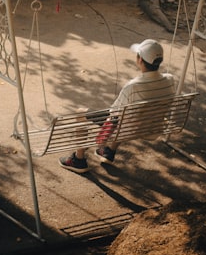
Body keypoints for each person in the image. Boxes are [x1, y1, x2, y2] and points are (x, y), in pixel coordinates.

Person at [60, 38, 177, 174]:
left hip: (130, 128)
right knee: (129, 116)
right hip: (152, 127)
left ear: (139, 60)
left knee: (82, 113)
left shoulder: (133, 86)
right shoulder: (170, 79)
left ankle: (78, 160)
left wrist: (101, 136)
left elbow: (114, 113)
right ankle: (108, 151)